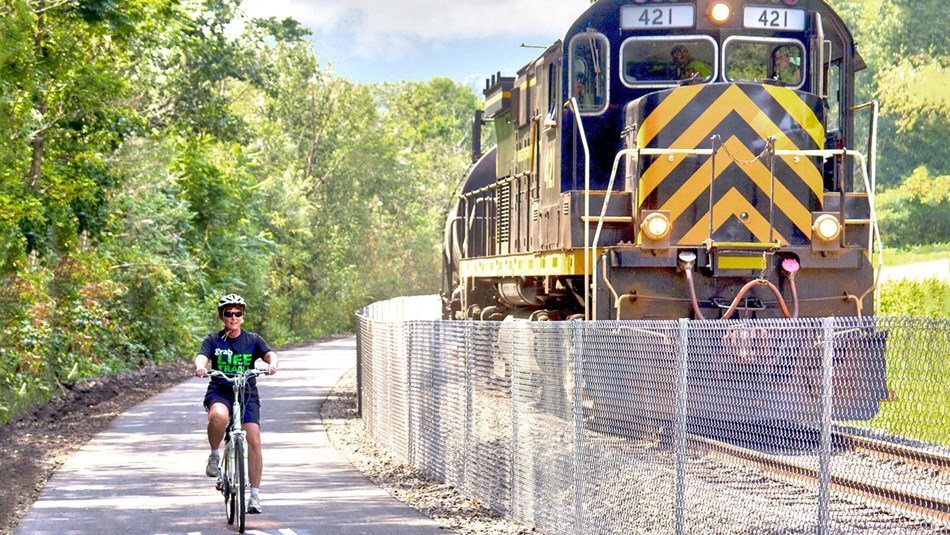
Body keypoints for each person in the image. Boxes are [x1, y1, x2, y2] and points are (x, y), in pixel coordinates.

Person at [195, 293, 278, 514]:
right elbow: (202, 356)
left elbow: (270, 354)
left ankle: (255, 496)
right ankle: (215, 454)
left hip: (247, 393)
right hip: (221, 391)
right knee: (218, 416)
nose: (233, 317)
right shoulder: (213, 340)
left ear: (243, 316)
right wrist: (201, 366)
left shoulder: (253, 340)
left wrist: (272, 364)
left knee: (254, 439)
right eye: (228, 313)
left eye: (237, 313)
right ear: (221, 316)